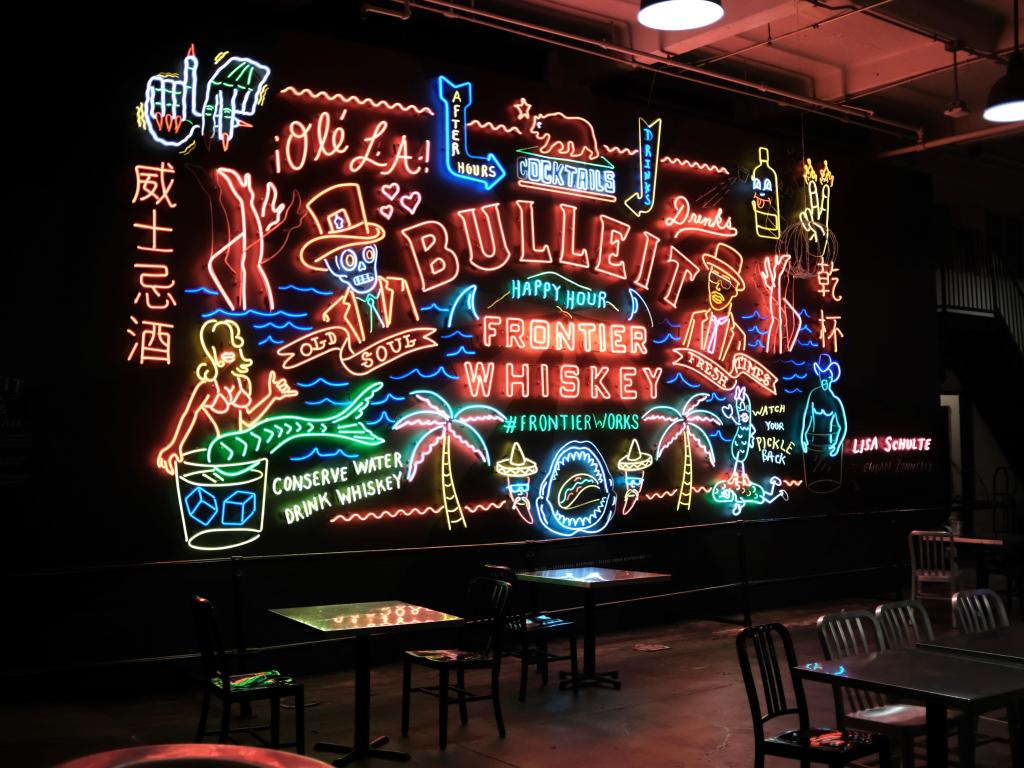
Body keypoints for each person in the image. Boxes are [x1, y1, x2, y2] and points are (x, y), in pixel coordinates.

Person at [157, 319, 297, 474]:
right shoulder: (206, 387)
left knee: (285, 431)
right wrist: (175, 445)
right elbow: (190, 414)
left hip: (245, 446)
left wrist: (272, 396)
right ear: (210, 351)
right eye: (220, 346)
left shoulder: (241, 382)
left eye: (230, 344)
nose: (228, 351)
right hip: (220, 452)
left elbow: (247, 419)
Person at [681, 243, 746, 364]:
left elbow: (732, 370)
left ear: (734, 291)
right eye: (714, 280)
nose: (717, 288)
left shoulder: (737, 336)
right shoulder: (694, 319)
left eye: (725, 284)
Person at [800, 353, 847, 493]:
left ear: (831, 379)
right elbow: (807, 417)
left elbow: (842, 426)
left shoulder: (836, 401)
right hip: (813, 444)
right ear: (819, 378)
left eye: (827, 378)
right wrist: (803, 437)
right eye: (822, 378)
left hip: (828, 445)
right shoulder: (814, 395)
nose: (824, 381)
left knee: (829, 477)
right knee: (814, 478)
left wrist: (837, 445)